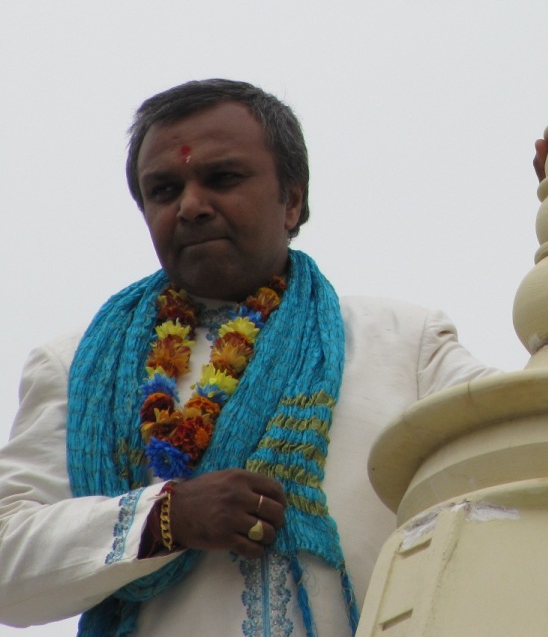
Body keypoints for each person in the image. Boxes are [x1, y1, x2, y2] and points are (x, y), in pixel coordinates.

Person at [0, 79, 494, 637]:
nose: (190, 206)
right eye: (163, 190)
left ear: (292, 200)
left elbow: (541, 441)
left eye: (222, 178)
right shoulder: (76, 369)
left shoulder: (403, 344)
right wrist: (167, 516)